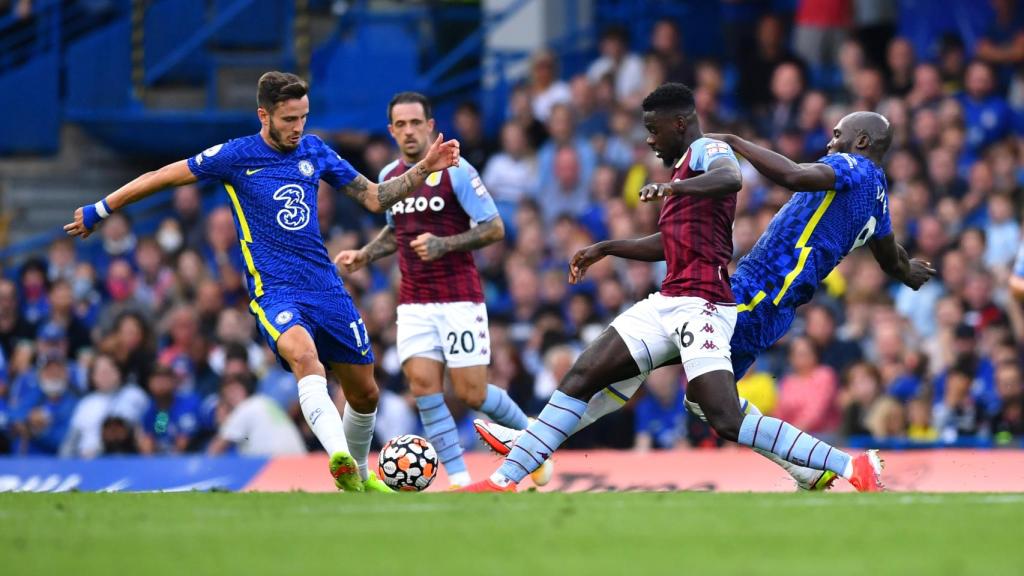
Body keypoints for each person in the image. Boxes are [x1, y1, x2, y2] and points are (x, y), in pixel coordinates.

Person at [470, 105, 935, 493]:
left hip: (759, 293)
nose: (829, 142)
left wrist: (735, 140)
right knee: (694, 396)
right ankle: (810, 469)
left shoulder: (851, 168)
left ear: (860, 143)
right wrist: (908, 270)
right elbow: (891, 258)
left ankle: (531, 441)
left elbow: (793, 176)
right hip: (767, 301)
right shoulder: (878, 200)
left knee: (684, 388)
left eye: (837, 135)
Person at [65, 71, 460, 492]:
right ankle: (339, 457)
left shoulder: (314, 150)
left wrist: (423, 170)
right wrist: (103, 208)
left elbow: (374, 196)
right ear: (263, 115)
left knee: (365, 394)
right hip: (275, 291)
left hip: (326, 288)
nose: (298, 127)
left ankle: (359, 477)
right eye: (289, 118)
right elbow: (163, 175)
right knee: (306, 359)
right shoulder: (236, 156)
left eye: (303, 117)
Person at [335, 92, 548, 488]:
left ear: (431, 126)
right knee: (423, 388)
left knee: (472, 394)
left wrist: (443, 244)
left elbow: (494, 227)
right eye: (400, 124)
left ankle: (536, 443)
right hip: (414, 302)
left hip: (459, 299)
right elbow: (396, 229)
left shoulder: (457, 170)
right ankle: (459, 480)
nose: (409, 131)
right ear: (391, 131)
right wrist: (365, 255)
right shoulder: (387, 178)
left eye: (416, 123)